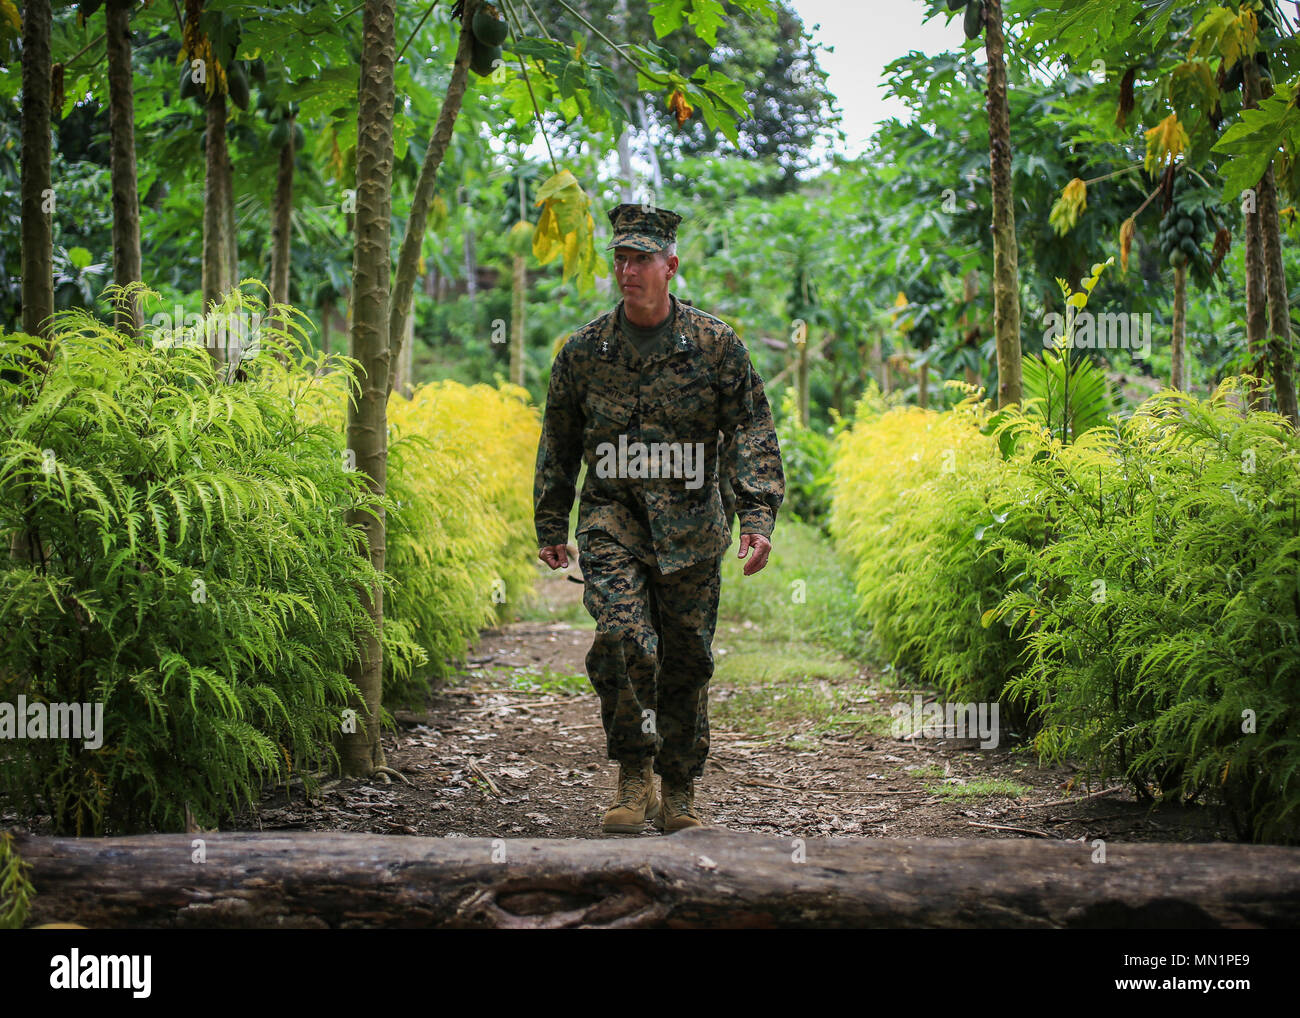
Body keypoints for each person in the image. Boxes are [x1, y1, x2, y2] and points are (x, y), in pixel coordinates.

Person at [533, 202, 784, 834]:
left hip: (692, 529)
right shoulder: (584, 352)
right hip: (612, 521)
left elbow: (751, 430)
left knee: (686, 659)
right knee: (623, 639)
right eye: (620, 258)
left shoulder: (715, 345)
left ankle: (678, 789)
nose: (628, 271)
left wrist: (756, 516)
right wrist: (551, 522)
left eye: (641, 259)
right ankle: (633, 771)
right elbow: (559, 440)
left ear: (669, 267)